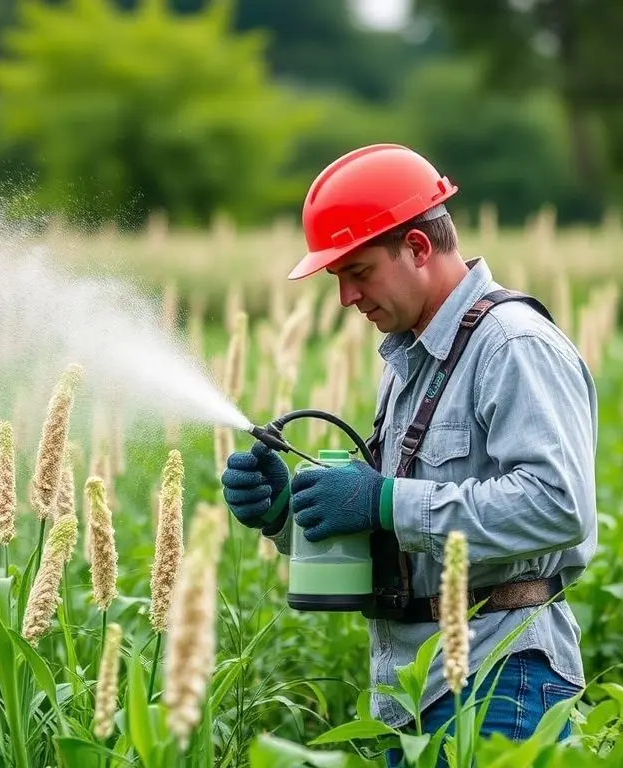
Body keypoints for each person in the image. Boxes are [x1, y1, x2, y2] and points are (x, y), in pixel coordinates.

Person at [220, 144, 598, 764]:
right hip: (412, 691)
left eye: (358, 271)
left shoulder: (512, 347)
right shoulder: (408, 362)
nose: (345, 298)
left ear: (418, 248)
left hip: (499, 681)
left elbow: (558, 506)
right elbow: (396, 532)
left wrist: (386, 499)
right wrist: (288, 514)